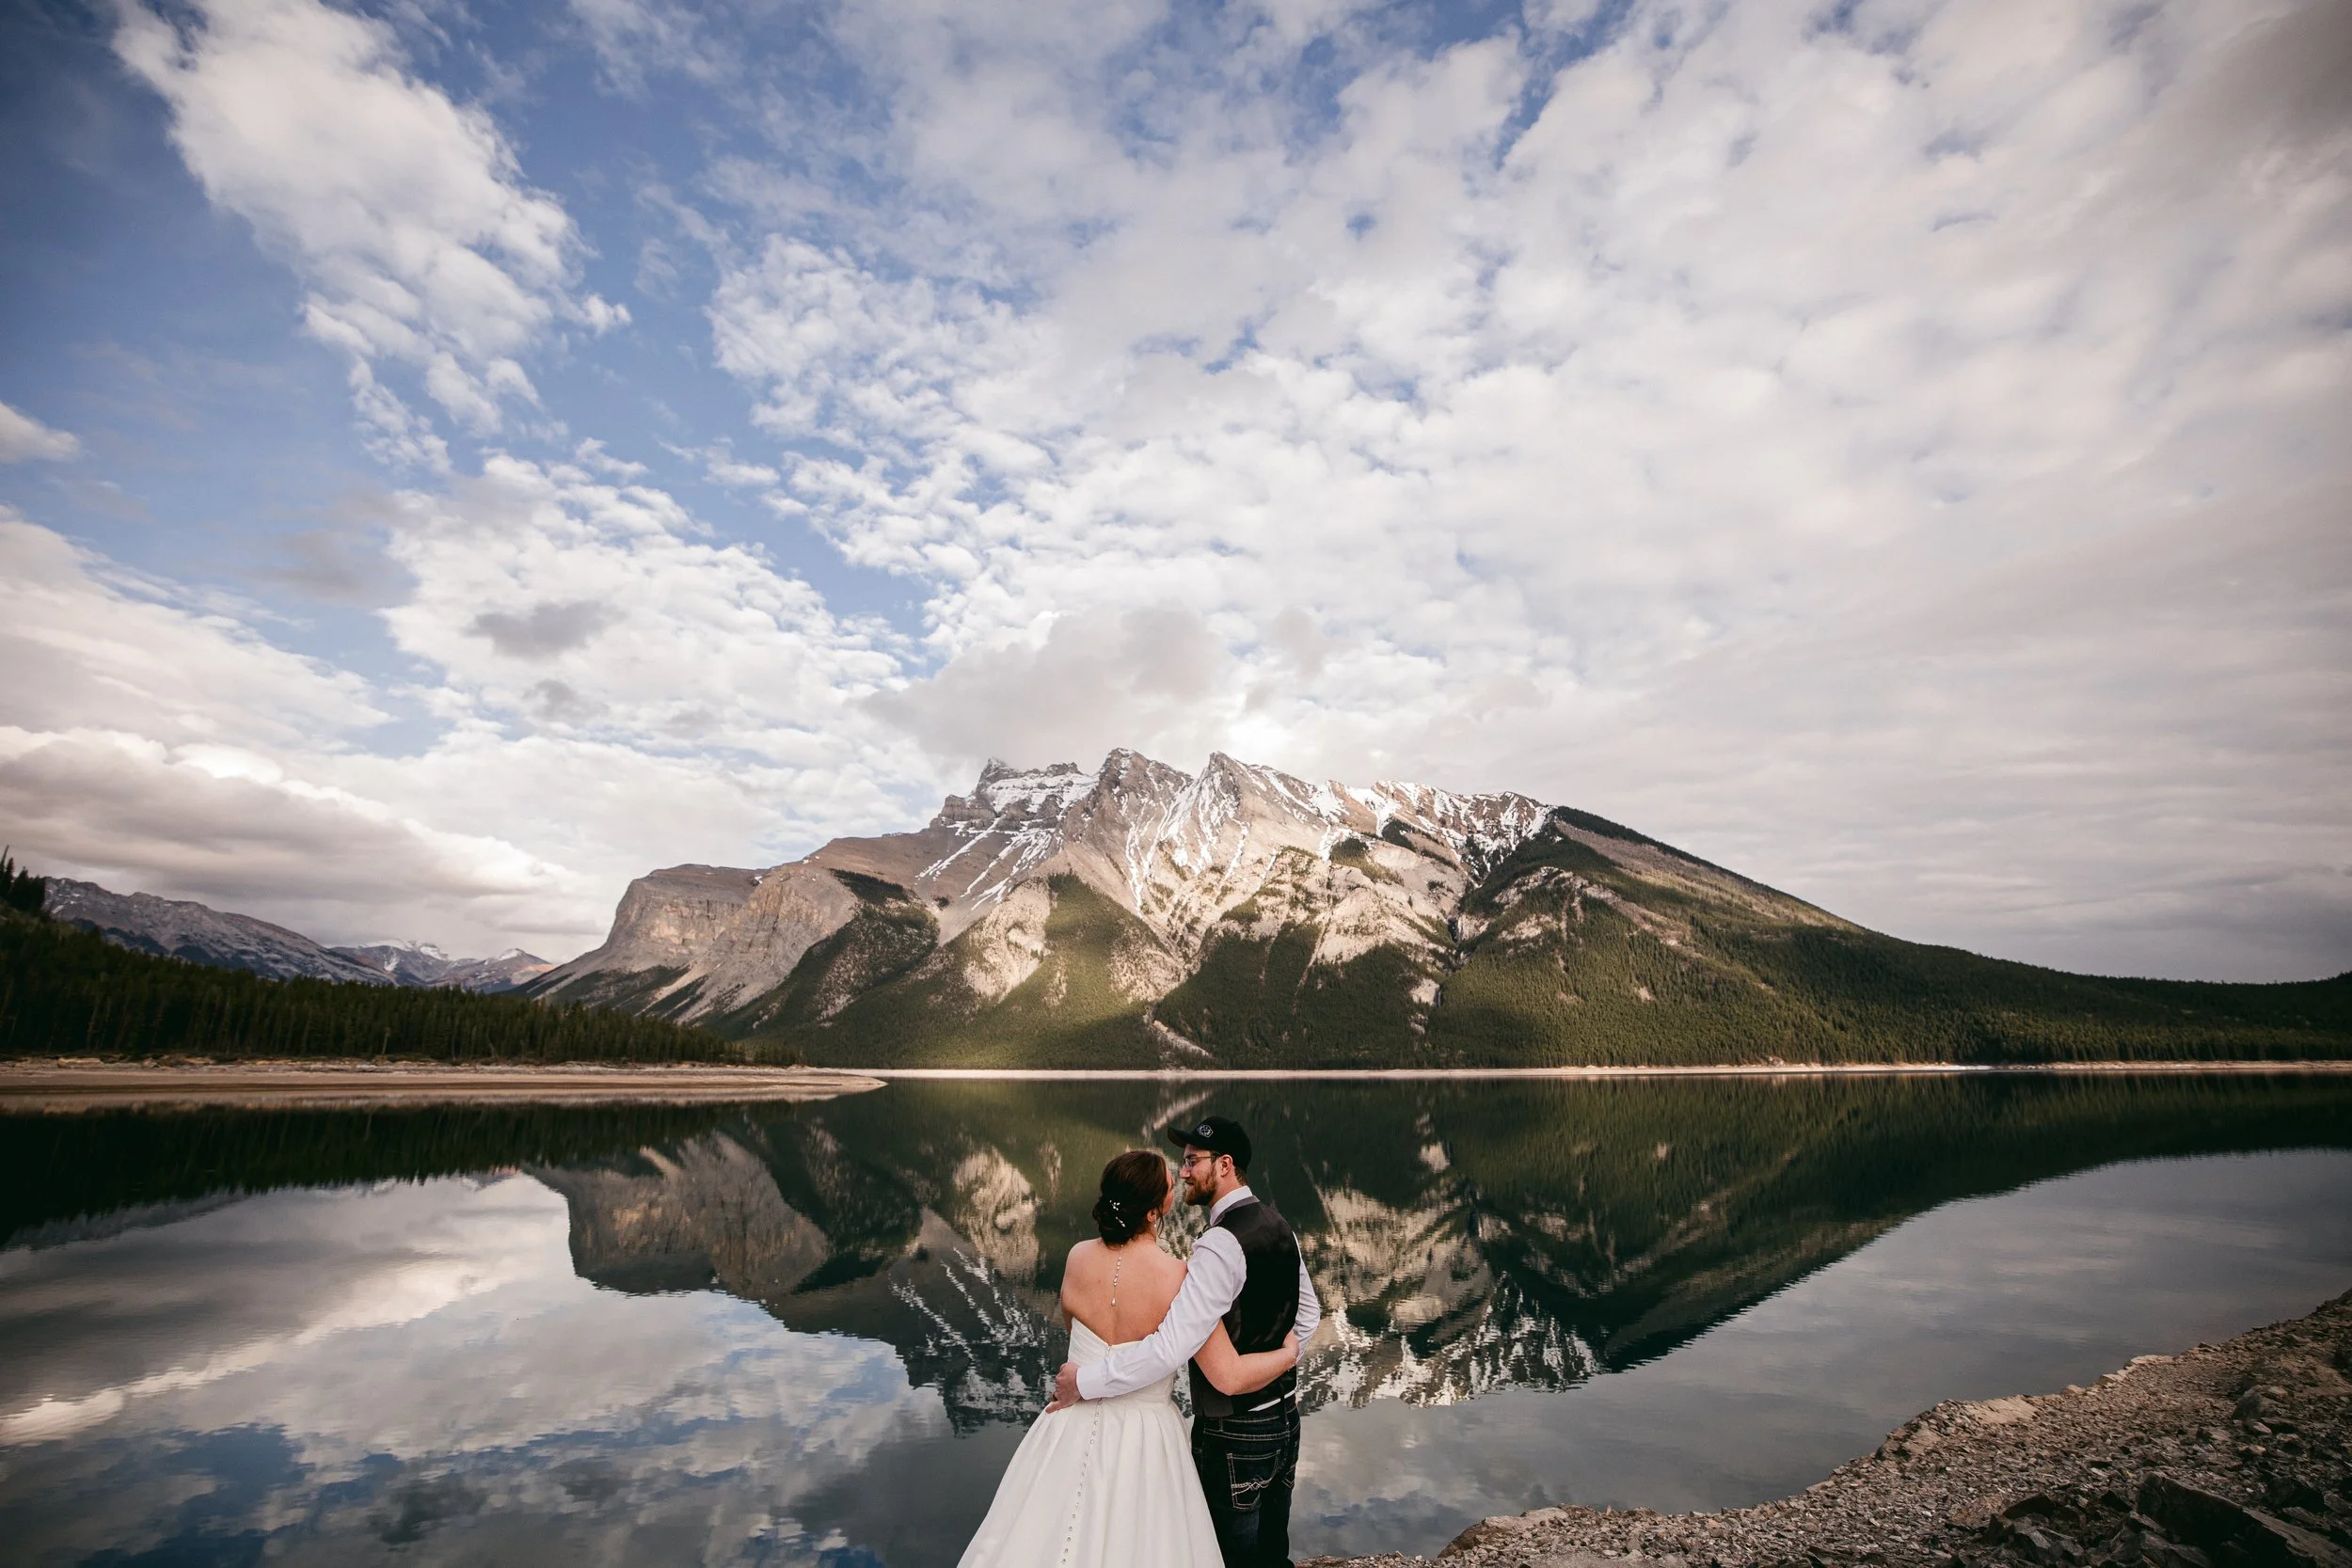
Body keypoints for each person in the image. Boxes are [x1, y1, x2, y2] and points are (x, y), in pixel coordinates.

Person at [957, 1148, 1301, 1568]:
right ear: (1156, 1211)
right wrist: (1287, 1353)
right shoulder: (1179, 1276)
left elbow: (1074, 1327)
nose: (1180, 1180)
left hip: (1069, 1420)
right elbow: (1221, 1368)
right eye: (1171, 1187)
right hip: (1147, 1435)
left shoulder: (1077, 1258)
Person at [1048, 1117, 1321, 1568]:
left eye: (1193, 1161)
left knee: (1230, 1557)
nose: (1186, 1172)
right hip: (1284, 1422)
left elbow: (1172, 1349)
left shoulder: (1216, 1246)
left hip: (1233, 1434)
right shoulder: (1278, 1225)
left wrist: (1086, 1380)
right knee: (1273, 1552)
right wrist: (1284, 1358)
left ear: (1225, 1165)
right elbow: (1307, 1314)